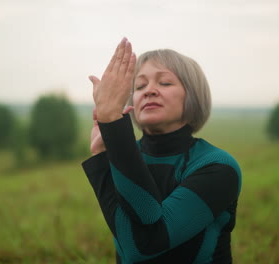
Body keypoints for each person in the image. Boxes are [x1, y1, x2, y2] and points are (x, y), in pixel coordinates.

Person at [82, 37, 242, 264]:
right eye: (139, 86)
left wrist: (114, 126)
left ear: (192, 96)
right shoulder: (121, 158)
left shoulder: (217, 166)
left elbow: (143, 247)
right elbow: (124, 238)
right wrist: (101, 156)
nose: (149, 91)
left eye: (165, 83)